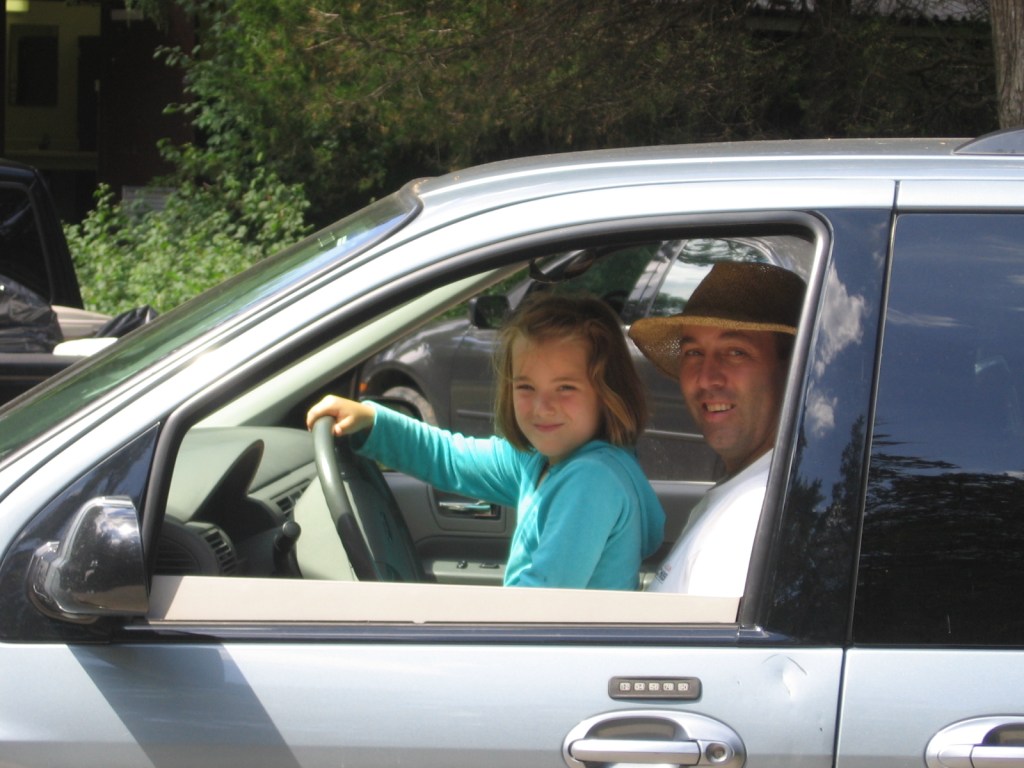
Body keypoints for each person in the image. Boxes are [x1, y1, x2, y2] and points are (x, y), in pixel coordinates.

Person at [306, 292, 665, 590]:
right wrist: (372, 421)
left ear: (608, 394)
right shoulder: (538, 461)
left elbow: (541, 606)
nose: (542, 407)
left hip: (564, 666)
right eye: (525, 387)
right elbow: (450, 458)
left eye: (565, 388)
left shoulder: (590, 481)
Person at [628, 261, 806, 596]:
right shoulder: (748, 489)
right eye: (694, 352)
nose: (707, 377)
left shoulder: (751, 517)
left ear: (795, 370)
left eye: (736, 352)